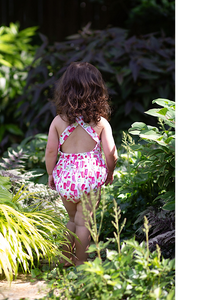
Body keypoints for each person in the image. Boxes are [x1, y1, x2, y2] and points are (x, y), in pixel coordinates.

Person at [45, 61, 118, 266]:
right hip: (90, 178)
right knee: (83, 222)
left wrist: (51, 173)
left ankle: (65, 258)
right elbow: (111, 153)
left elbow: (51, 150)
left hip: (66, 178)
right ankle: (81, 264)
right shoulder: (101, 123)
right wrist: (110, 171)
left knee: (71, 219)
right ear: (97, 91)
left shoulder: (58, 121)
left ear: (66, 90)